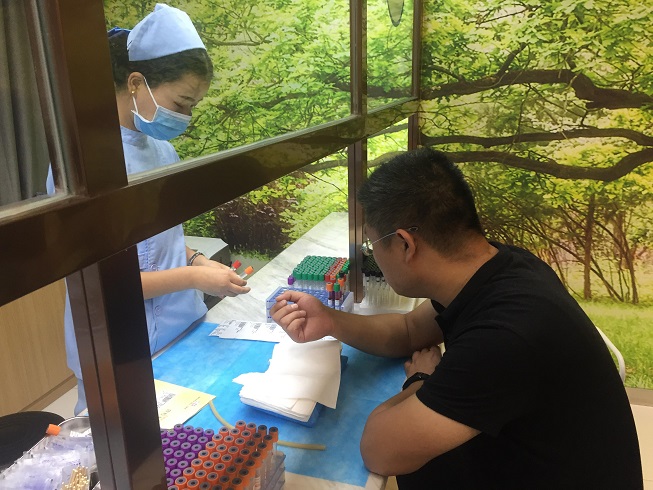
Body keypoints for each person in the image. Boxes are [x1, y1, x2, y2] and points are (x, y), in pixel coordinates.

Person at [270, 148, 643, 489]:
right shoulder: (501, 265)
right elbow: (408, 330)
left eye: (372, 245)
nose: (372, 257)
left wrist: (421, 380)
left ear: (405, 244)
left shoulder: (505, 337)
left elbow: (379, 450)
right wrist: (330, 320)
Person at [48, 4, 250, 415]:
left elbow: (161, 240)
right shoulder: (81, 167)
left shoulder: (161, 149)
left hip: (182, 326)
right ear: (136, 82)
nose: (185, 117)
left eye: (192, 106)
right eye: (182, 102)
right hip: (118, 341)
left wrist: (196, 260)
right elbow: (105, 282)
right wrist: (194, 276)